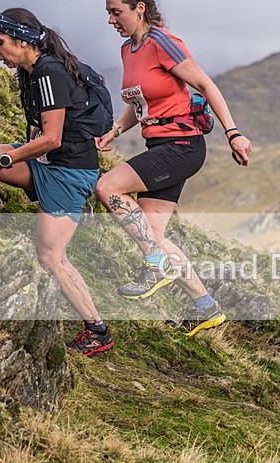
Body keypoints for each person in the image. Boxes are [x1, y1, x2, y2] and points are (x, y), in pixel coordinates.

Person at [96, 0, 252, 335]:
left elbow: (207, 86)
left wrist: (233, 133)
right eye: (107, 12)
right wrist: (114, 131)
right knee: (153, 235)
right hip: (160, 145)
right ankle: (206, 308)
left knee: (107, 187)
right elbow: (140, 104)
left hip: (182, 146)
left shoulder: (162, 43)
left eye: (116, 12)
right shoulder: (128, 50)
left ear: (139, 8)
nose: (111, 19)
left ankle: (154, 268)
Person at [0, 8, 113, 356]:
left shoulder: (48, 71)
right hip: (48, 164)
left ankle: (98, 330)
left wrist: (8, 158)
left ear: (22, 40)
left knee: (51, 257)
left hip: (70, 173)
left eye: (0, 43)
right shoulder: (29, 73)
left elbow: (52, 138)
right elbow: (38, 128)